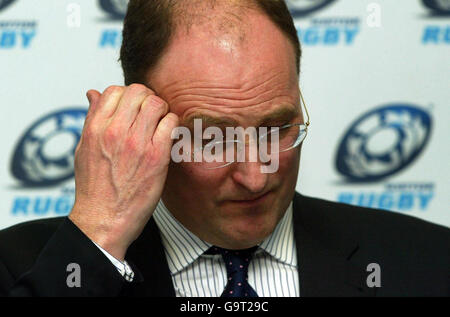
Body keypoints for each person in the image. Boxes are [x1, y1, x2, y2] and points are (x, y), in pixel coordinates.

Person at [0, 0, 448, 297]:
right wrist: (98, 237)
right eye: (211, 139)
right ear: (141, 124)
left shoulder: (425, 263)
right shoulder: (23, 268)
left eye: (275, 127)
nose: (256, 175)